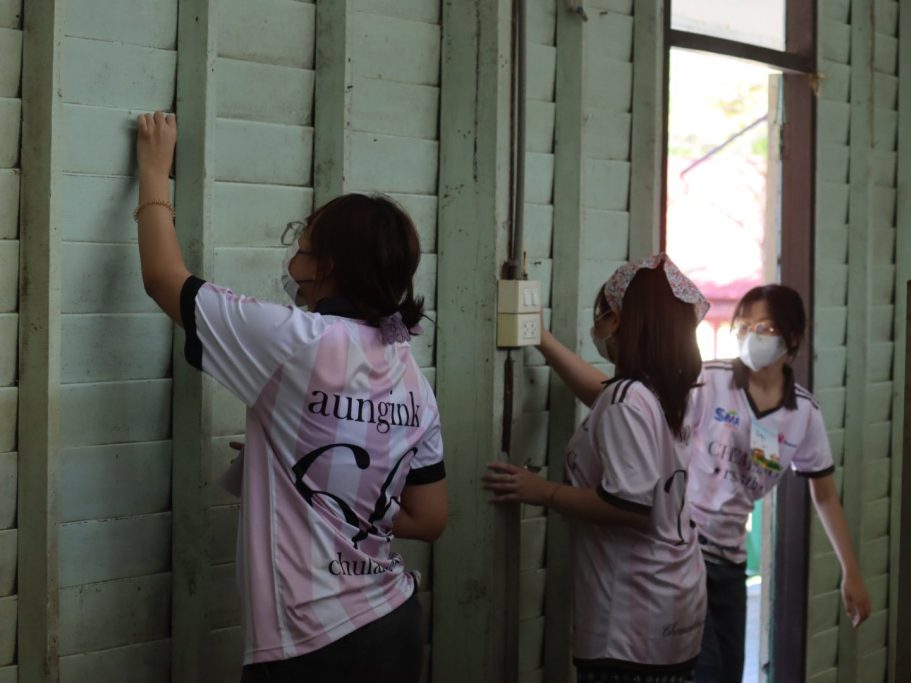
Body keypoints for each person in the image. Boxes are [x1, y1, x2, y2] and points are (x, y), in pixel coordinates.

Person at [134, 112, 447, 682]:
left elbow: (163, 278)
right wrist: (318, 479)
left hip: (312, 644)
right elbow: (430, 518)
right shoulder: (411, 376)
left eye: (300, 249)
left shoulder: (296, 340)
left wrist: (154, 173)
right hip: (395, 624)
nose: (291, 262)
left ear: (327, 267)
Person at [536, 282, 871, 683]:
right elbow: (614, 399)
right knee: (705, 671)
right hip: (686, 552)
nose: (751, 336)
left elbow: (825, 496)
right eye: (742, 326)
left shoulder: (804, 414)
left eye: (764, 328)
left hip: (732, 563)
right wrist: (543, 341)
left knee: (727, 672)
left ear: (793, 338)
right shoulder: (707, 381)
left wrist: (851, 571)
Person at [483, 254, 709, 683]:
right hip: (674, 602)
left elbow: (627, 504)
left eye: (602, 314)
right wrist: (541, 338)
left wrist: (541, 491)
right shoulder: (666, 393)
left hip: (630, 619)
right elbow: (604, 395)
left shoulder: (629, 400)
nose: (599, 326)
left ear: (618, 319)